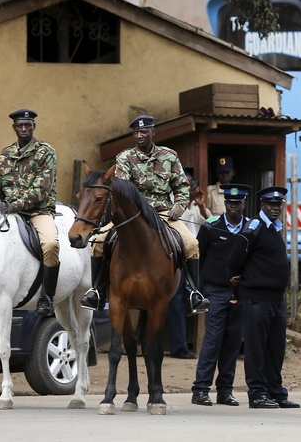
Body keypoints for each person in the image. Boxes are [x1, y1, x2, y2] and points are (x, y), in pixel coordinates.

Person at [81, 115, 209, 313]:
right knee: (98, 242)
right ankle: (96, 291)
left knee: (192, 244)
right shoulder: (125, 158)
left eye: (143, 132)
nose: (139, 135)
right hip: (133, 215)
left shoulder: (169, 156)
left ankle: (194, 293)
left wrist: (179, 207)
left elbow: (182, 187)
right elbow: (122, 190)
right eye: (136, 133)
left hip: (164, 213)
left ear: (153, 132)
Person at [227, 186, 300, 409]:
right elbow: (233, 260)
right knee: (256, 348)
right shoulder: (254, 228)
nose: (275, 208)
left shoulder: (274, 228)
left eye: (278, 205)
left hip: (276, 300)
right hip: (256, 299)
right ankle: (257, 393)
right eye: (271, 205)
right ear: (262, 206)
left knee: (275, 348)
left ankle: (275, 391)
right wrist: (239, 281)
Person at [0, 108, 59, 317]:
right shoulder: (5, 154)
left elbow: (41, 189)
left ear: (34, 127)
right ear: (14, 128)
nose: (24, 129)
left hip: (38, 211)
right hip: (8, 212)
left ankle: (47, 297)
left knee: (51, 244)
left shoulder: (46, 152)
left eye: (28, 125)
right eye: (20, 125)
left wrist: (14, 206)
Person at [191, 183, 251, 406]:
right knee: (213, 340)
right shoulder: (211, 227)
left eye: (238, 203)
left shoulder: (251, 228)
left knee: (233, 342)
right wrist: (200, 289)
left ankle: (225, 390)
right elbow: (199, 257)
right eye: (230, 203)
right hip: (216, 292)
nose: (234, 206)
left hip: (240, 294)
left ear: (244, 204)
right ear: (225, 204)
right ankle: (200, 389)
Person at [168, 170, 211, 359]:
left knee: (197, 293)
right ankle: (179, 347)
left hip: (194, 255)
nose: (188, 186)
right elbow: (173, 218)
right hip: (176, 254)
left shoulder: (194, 203)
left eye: (190, 183)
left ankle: (187, 340)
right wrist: (186, 201)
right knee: (176, 300)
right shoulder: (170, 198)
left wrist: (201, 206)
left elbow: (209, 222)